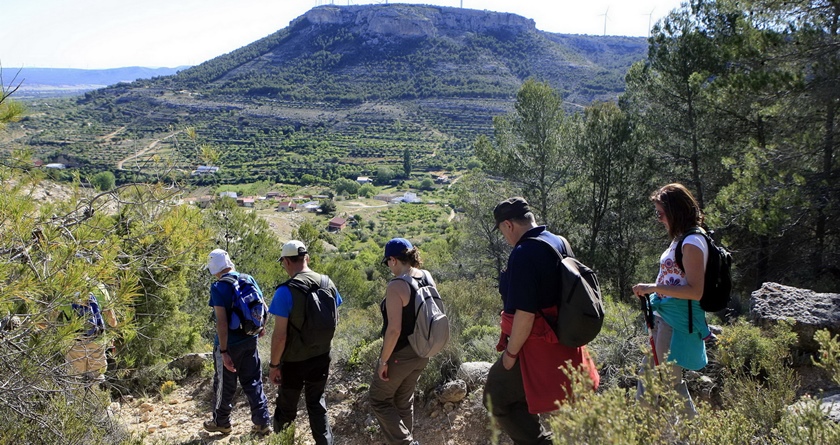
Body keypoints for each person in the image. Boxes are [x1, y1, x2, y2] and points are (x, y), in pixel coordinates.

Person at [483, 197, 600, 445]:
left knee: (497, 395)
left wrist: (510, 354)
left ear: (508, 225)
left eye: (502, 231)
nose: (504, 237)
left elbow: (525, 315)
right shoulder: (560, 242)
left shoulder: (523, 253)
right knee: (526, 396)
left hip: (535, 346)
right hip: (566, 338)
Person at [632, 183, 710, 418]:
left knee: (666, 381)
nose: (658, 219)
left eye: (660, 213)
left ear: (675, 211)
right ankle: (655, 430)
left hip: (675, 321)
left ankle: (689, 433)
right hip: (665, 316)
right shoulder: (681, 239)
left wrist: (653, 287)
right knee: (655, 379)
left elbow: (696, 291)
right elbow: (676, 279)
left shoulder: (692, 242)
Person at [268, 240, 342, 445]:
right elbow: (334, 318)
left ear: (286, 261)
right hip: (321, 356)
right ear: (306, 258)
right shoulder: (328, 283)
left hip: (293, 362)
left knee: (286, 409)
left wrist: (274, 366)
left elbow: (280, 336)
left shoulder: (285, 291)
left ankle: (284, 442)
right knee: (317, 404)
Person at [370, 238, 434, 445]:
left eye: (387, 261)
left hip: (402, 354)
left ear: (393, 259)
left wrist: (383, 361)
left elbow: (394, 330)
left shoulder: (397, 285)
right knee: (402, 402)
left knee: (379, 399)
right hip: (424, 351)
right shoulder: (426, 276)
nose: (388, 266)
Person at [204, 248, 271, 435]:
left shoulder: (218, 288)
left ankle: (222, 422)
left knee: (224, 385)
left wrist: (224, 352)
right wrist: (261, 327)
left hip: (230, 345)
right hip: (250, 340)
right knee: (253, 381)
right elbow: (264, 307)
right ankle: (262, 422)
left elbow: (222, 322)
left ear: (215, 269)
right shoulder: (247, 279)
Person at [64, 282, 118, 382]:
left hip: (74, 341)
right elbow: (113, 322)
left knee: (73, 378)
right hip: (97, 339)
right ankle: (96, 396)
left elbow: (47, 321)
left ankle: (76, 396)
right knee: (96, 378)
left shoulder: (66, 285)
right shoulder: (99, 287)